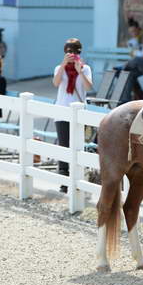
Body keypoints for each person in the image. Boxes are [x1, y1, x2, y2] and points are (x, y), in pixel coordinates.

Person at [52, 38, 93, 193]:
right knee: (64, 146)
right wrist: (63, 65)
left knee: (77, 146)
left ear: (79, 53)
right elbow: (56, 83)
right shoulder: (59, 68)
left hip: (80, 112)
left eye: (74, 51)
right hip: (62, 111)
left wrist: (79, 71)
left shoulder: (86, 68)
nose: (71, 54)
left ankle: (77, 180)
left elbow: (88, 87)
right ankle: (64, 182)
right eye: (69, 51)